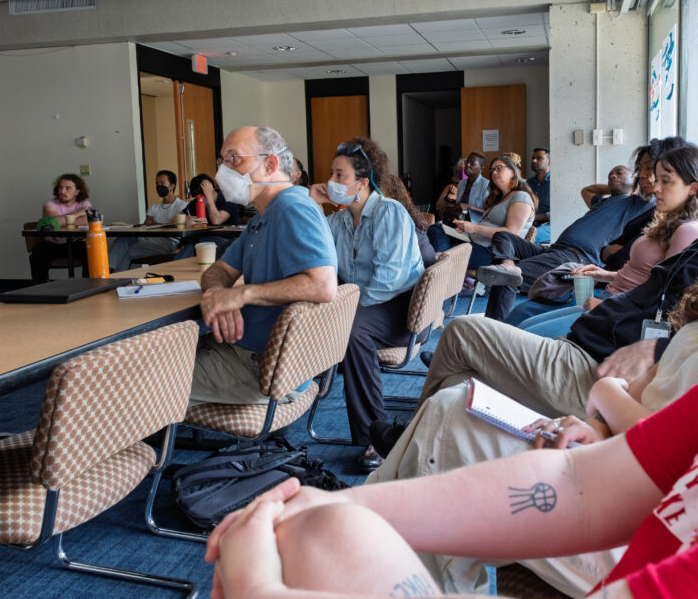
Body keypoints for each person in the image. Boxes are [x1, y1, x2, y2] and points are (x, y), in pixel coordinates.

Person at [205, 34, 698, 599]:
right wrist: (332, 518)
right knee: (328, 527)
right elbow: (584, 485)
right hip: (609, 437)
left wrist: (265, 585)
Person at [365, 137, 698, 595]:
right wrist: (600, 422)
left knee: (451, 411)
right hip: (619, 450)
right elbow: (666, 381)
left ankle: (353, 534)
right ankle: (368, 543)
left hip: (651, 516)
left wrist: (606, 403)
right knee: (455, 404)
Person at [190, 126, 337, 407]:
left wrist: (241, 295)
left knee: (133, 384)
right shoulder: (262, 217)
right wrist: (218, 294)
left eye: (234, 158)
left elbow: (323, 285)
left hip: (263, 366)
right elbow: (217, 271)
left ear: (270, 164)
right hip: (244, 350)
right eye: (222, 160)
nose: (224, 170)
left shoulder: (292, 208)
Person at [508, 145, 698, 334]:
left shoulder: (688, 230)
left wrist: (608, 305)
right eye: (657, 178)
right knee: (522, 317)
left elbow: (663, 295)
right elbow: (643, 276)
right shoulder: (666, 221)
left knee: (525, 332)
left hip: (619, 311)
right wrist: (604, 274)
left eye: (666, 181)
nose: (657, 187)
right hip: (609, 296)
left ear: (693, 188)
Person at [310, 137, 425, 469]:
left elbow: (388, 280)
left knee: (351, 331)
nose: (331, 182)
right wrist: (312, 203)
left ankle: (374, 435)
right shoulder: (340, 221)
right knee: (329, 321)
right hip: (365, 305)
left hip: (399, 309)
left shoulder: (389, 212)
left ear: (363, 182)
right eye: (331, 174)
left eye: (339, 176)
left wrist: (345, 310)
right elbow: (313, 252)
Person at [476, 143, 669, 322]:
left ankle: (492, 328)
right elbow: (587, 190)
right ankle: (507, 265)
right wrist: (614, 187)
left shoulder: (639, 205)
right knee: (503, 237)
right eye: (611, 174)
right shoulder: (607, 201)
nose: (613, 176)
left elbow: (649, 194)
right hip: (553, 250)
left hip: (576, 256)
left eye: (619, 173)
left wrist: (632, 187)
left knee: (511, 277)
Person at [426, 154, 537, 269]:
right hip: (473, 240)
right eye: (492, 170)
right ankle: (442, 261)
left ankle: (441, 262)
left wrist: (474, 228)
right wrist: (467, 228)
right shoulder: (498, 198)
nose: (494, 172)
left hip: (492, 250)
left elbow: (510, 233)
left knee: (432, 254)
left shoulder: (521, 197)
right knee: (436, 229)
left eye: (499, 168)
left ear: (512, 172)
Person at [108, 169, 188, 272]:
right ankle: (108, 271)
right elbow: (147, 224)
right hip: (148, 239)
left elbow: (176, 226)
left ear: (172, 186)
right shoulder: (154, 207)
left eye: (162, 183)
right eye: (157, 183)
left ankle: (117, 280)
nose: (159, 186)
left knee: (128, 251)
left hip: (166, 243)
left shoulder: (182, 206)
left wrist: (157, 224)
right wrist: (163, 224)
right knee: (121, 240)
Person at [29, 173, 92, 283]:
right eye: (60, 187)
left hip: (75, 243)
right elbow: (52, 221)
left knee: (91, 251)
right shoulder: (50, 204)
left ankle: (90, 287)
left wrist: (59, 221)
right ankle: (39, 290)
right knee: (38, 253)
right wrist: (77, 214)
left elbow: (86, 221)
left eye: (68, 188)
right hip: (53, 245)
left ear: (77, 191)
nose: (62, 191)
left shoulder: (84, 203)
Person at [175, 172, 241, 261]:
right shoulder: (197, 202)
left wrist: (209, 197)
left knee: (200, 243)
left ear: (212, 189)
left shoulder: (229, 199)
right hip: (202, 240)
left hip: (227, 241)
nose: (201, 200)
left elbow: (216, 221)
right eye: (198, 198)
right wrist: (188, 219)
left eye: (203, 197)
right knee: (195, 243)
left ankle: (171, 270)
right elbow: (175, 219)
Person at [427, 152, 489, 235]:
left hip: (473, 229)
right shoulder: (462, 184)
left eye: (472, 164)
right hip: (458, 224)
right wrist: (452, 206)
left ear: (481, 168)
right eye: (467, 162)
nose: (467, 165)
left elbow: (489, 212)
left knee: (442, 241)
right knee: (433, 229)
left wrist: (469, 207)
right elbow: (459, 207)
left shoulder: (486, 185)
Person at [526, 148, 551, 243]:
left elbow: (560, 212)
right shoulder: (528, 183)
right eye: (533, 158)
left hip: (549, 225)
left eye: (539, 158)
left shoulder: (555, 184)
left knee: (530, 234)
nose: (534, 160)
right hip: (529, 222)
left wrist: (534, 218)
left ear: (549, 161)